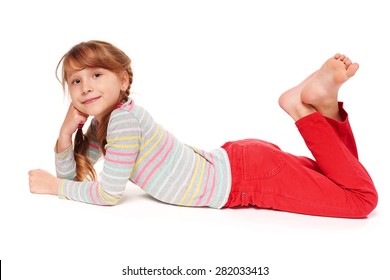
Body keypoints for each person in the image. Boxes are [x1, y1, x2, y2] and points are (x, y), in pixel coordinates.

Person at [28, 40, 378, 218]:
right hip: (241, 163)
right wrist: (64, 135)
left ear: (123, 79)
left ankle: (301, 109)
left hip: (249, 180)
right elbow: (76, 180)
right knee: (346, 177)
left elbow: (107, 194)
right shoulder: (107, 124)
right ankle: (325, 107)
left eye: (96, 74)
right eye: (76, 80)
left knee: (361, 199)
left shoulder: (122, 123)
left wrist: (52, 187)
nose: (86, 86)